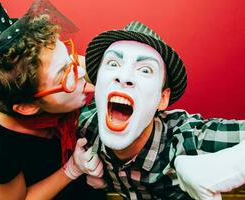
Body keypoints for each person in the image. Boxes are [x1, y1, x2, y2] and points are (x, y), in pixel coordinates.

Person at [78, 20, 245, 200]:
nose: (124, 77)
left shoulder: (187, 141)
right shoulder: (86, 124)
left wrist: (235, 164)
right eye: (113, 64)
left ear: (162, 99)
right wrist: (74, 167)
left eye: (145, 70)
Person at [0, 1, 105, 199]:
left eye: (69, 58)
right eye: (63, 72)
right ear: (27, 107)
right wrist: (71, 170)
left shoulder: (59, 77)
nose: (80, 71)